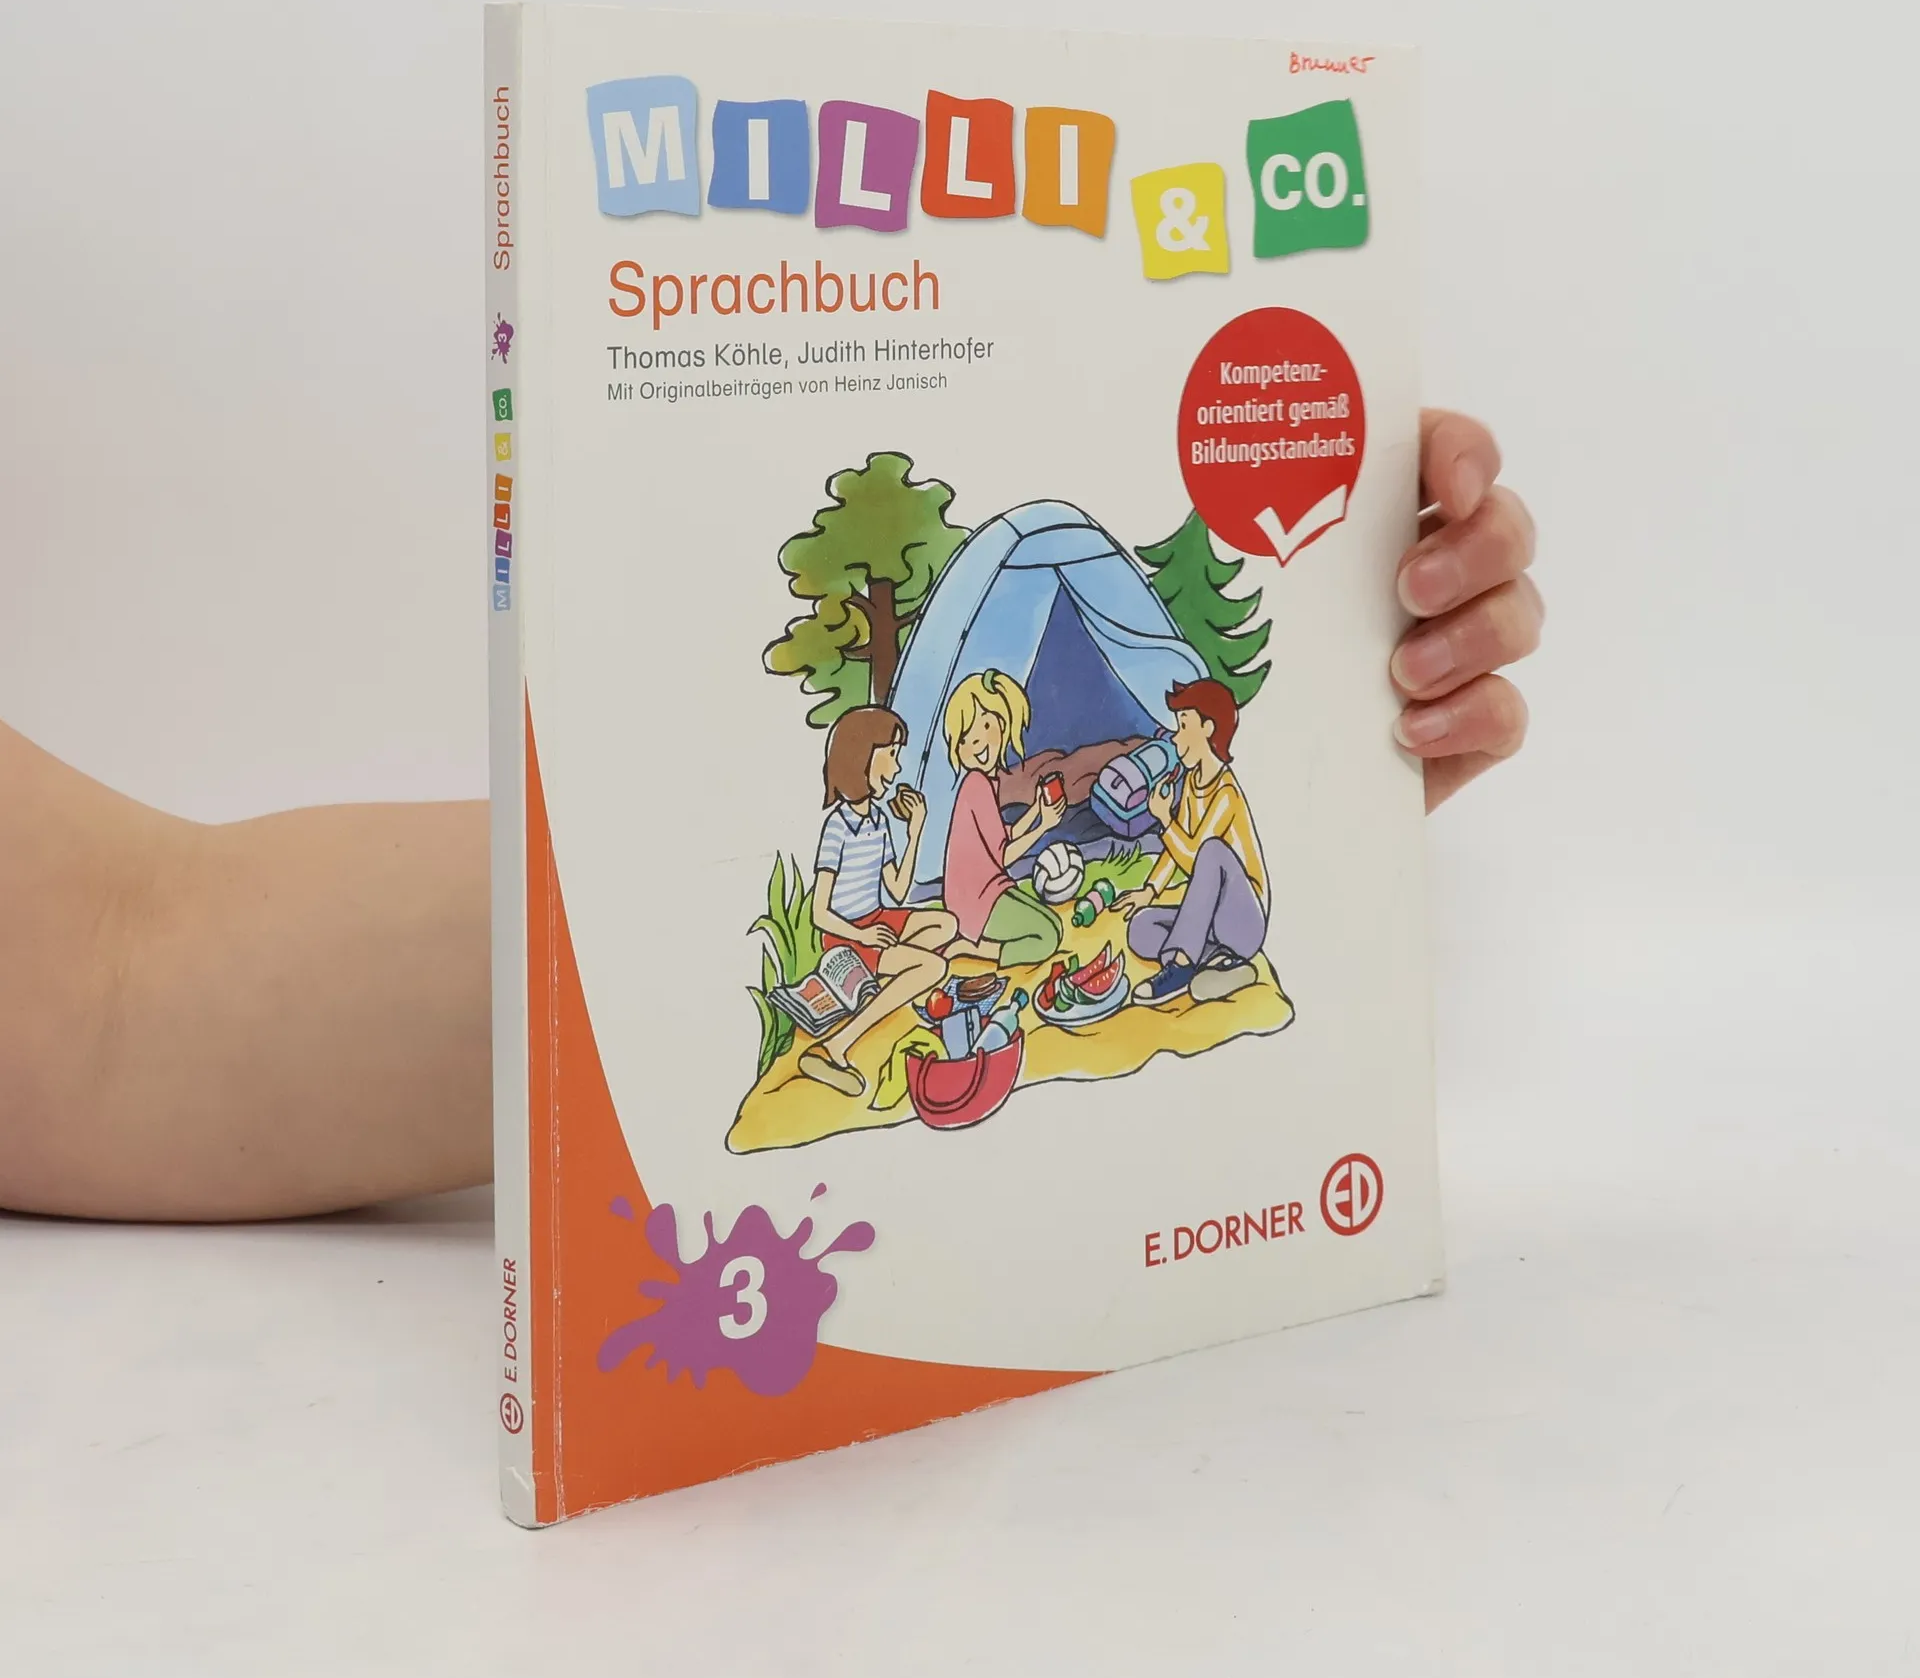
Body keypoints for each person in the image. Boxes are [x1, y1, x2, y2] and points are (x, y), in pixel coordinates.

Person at [0, 410, 1540, 1221]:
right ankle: (874, 1019)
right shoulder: (965, 807)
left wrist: (1318, 785)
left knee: (957, 949)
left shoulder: (1015, 791)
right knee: (953, 956)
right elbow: (121, 986)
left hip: (1002, 901)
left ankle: (866, 1016)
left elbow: (123, 986)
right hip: (979, 911)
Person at [802, 706, 958, 1099]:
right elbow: (819, 913)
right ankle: (835, 1046)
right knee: (934, 966)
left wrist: (916, 832)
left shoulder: (879, 820)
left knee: (947, 924)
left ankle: (885, 977)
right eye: (891, 753)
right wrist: (864, 936)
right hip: (846, 936)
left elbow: (899, 890)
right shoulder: (837, 827)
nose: (897, 765)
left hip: (877, 918)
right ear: (862, 757)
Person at [1112, 680, 1268, 1004]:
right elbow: (1176, 848)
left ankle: (1182, 968)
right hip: (1213, 923)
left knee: (1212, 851)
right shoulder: (1191, 783)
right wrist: (1149, 890)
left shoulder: (1225, 792)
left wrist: (1164, 819)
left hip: (1244, 921)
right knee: (1141, 928)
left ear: (1208, 728)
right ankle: (1223, 965)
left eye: (1184, 726)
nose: (1175, 737)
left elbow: (1197, 856)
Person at [941, 670, 1068, 967]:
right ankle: (975, 948)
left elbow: (1003, 835)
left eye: (986, 725)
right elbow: (1004, 856)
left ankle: (973, 941)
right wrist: (1044, 827)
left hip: (990, 889)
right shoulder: (976, 785)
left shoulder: (987, 782)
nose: (978, 743)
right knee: (1047, 937)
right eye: (966, 738)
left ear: (1003, 723)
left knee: (1054, 924)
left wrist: (1036, 810)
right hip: (975, 901)